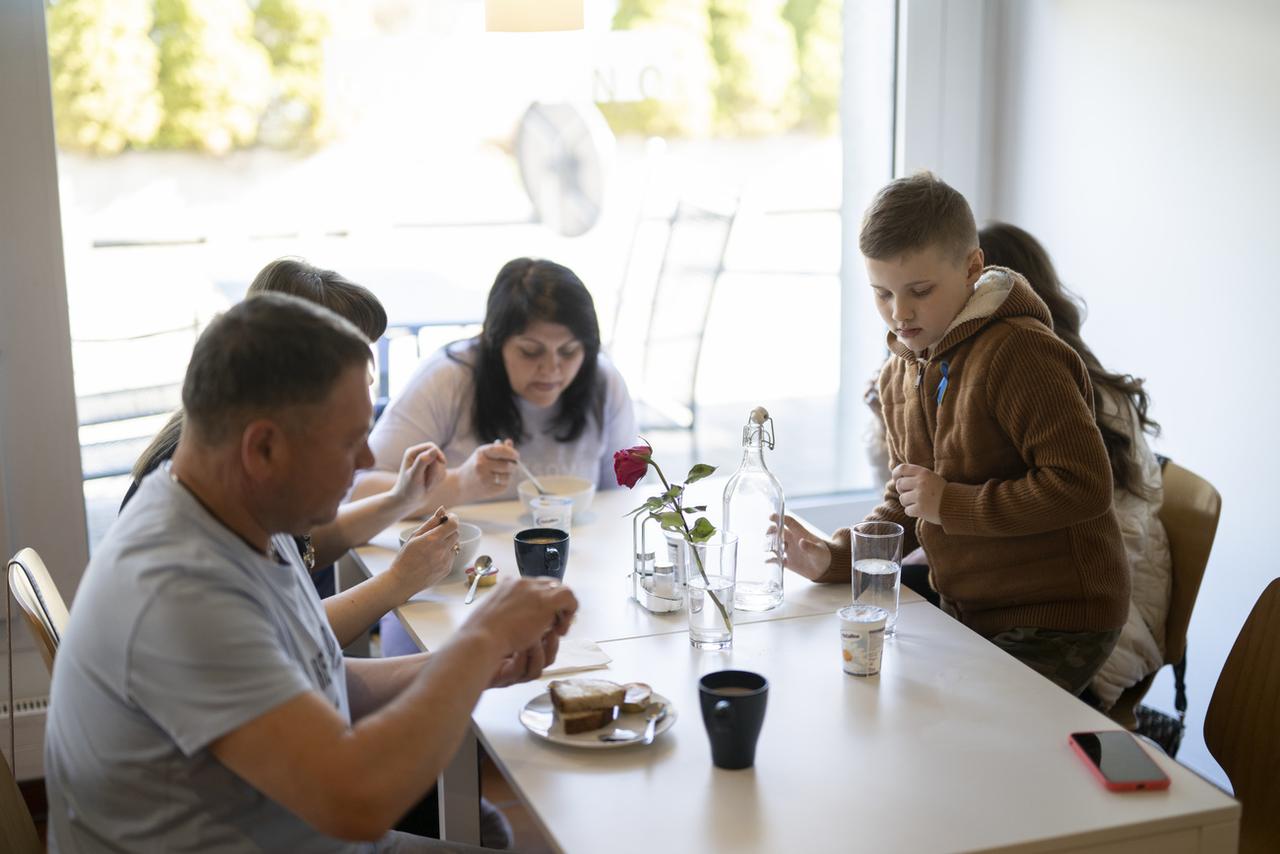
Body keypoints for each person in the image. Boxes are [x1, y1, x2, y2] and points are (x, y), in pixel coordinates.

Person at [46, 293, 578, 852]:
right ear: (264, 449)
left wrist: (471, 663)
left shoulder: (238, 513)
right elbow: (356, 801)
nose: (367, 462)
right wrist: (480, 637)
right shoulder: (177, 590)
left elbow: (324, 677)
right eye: (349, 441)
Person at [781, 172, 1130, 696]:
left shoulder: (1020, 353)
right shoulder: (901, 370)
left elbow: (1083, 486)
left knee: (959, 736)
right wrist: (834, 557)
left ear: (972, 268)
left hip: (1059, 616)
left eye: (920, 291)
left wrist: (952, 504)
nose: (899, 314)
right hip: (974, 608)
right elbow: (909, 501)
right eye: (882, 294)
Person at [121, 258, 456, 650]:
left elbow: (304, 546)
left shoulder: (210, 453)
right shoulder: (205, 514)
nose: (366, 376)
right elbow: (288, 639)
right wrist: (397, 581)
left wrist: (400, 501)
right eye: (352, 357)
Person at [349, 257, 637, 656]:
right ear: (493, 340)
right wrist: (460, 484)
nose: (552, 368)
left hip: (570, 594)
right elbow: (359, 492)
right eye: (531, 351)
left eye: (570, 351)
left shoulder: (602, 382)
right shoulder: (450, 378)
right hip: (442, 603)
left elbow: (623, 501)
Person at [978, 222, 1170, 710]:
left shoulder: (1058, 385)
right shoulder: (997, 371)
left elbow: (1096, 530)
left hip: (1096, 614)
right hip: (1050, 591)